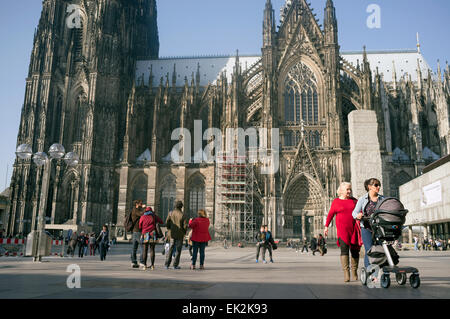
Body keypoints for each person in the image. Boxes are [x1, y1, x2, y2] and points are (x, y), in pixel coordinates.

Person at [324, 182, 361, 282]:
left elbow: (361, 210)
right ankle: (346, 273)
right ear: (341, 191)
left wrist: (360, 214)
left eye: (350, 189)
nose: (349, 191)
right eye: (347, 189)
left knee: (355, 251)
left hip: (354, 230)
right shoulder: (336, 202)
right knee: (344, 251)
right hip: (342, 231)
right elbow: (330, 214)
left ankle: (354, 271)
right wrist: (326, 226)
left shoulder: (354, 201)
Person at [352, 178, 384, 268]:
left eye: (379, 185)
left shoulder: (383, 199)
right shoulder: (363, 199)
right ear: (369, 187)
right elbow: (354, 213)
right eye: (376, 185)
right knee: (369, 250)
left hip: (379, 228)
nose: (378, 187)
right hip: (366, 227)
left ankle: (379, 270)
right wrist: (357, 216)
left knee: (380, 249)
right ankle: (369, 271)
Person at [164, 200, 188, 269]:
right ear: (181, 207)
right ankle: (175, 265)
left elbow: (167, 222)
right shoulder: (183, 215)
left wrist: (169, 229)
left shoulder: (171, 213)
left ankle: (167, 264)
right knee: (178, 250)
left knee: (170, 249)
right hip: (179, 234)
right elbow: (185, 226)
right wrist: (184, 232)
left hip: (171, 234)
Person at [130, 200, 145, 268]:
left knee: (134, 248)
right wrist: (144, 208)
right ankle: (141, 261)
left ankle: (134, 262)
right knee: (143, 247)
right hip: (138, 231)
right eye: (140, 204)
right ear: (136, 204)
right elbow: (141, 214)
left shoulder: (135, 210)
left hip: (135, 231)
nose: (141, 205)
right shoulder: (135, 210)